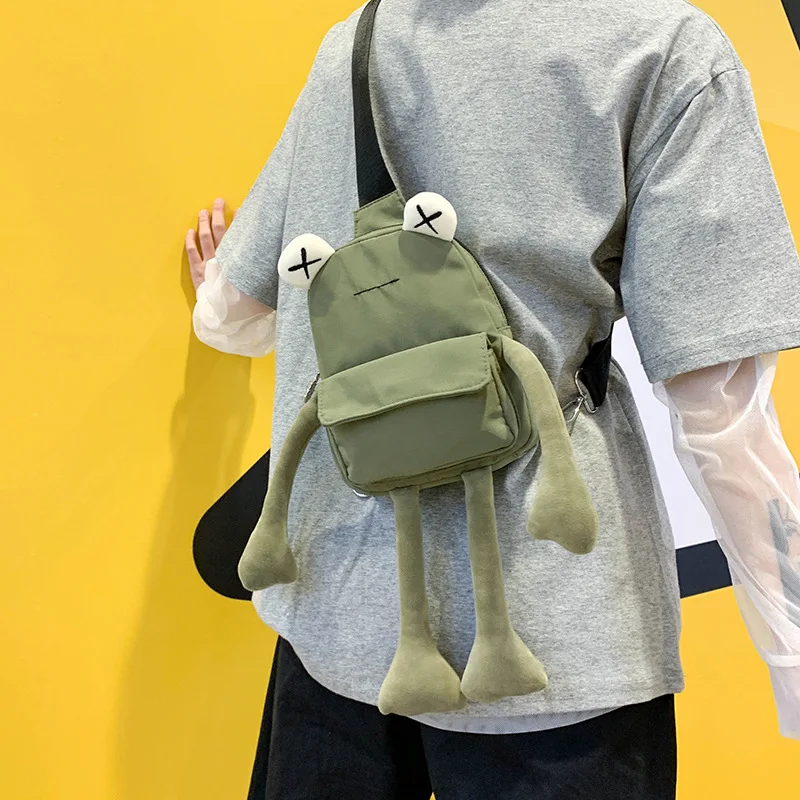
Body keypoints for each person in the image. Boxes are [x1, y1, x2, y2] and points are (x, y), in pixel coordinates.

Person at [186, 1, 800, 797]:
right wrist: (791, 655)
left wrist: (215, 288)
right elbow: (721, 410)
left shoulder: (354, 43)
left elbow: (232, 315)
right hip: (554, 645)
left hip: (334, 626)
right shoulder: (659, 47)